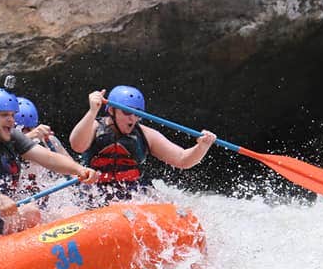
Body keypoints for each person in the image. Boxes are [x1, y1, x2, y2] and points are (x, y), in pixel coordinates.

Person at [0, 88, 98, 234]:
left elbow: (48, 158)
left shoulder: (11, 136)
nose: (11, 120)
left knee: (58, 213)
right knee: (30, 213)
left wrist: (79, 170)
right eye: (4, 115)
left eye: (12, 115)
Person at [68, 86, 216, 200]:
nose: (132, 118)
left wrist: (202, 146)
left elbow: (183, 159)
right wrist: (92, 111)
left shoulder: (146, 134)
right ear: (112, 110)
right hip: (94, 192)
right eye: (127, 112)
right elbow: (77, 145)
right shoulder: (94, 126)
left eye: (137, 113)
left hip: (133, 193)